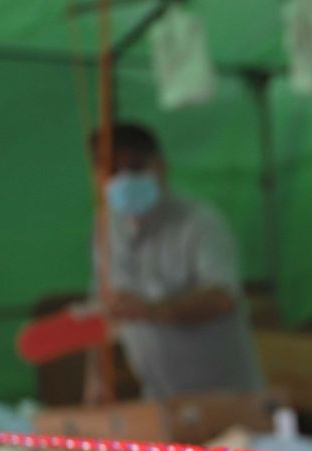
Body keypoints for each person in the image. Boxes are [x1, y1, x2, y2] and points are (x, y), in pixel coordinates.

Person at [84, 122, 264, 401]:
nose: (124, 179)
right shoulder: (105, 228)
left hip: (226, 396)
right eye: (112, 171)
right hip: (159, 398)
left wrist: (151, 310)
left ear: (160, 166)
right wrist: (95, 378)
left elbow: (222, 297)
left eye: (135, 167)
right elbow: (102, 307)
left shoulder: (200, 223)